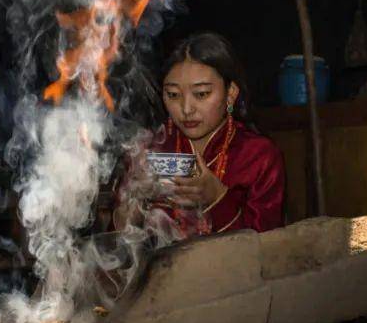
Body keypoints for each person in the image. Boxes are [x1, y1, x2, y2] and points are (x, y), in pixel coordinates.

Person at [116, 32, 286, 236]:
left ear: (230, 93)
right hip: (162, 267)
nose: (186, 109)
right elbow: (115, 249)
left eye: (202, 94)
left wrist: (217, 197)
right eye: (173, 95)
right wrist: (134, 200)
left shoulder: (259, 156)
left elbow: (265, 249)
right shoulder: (149, 148)